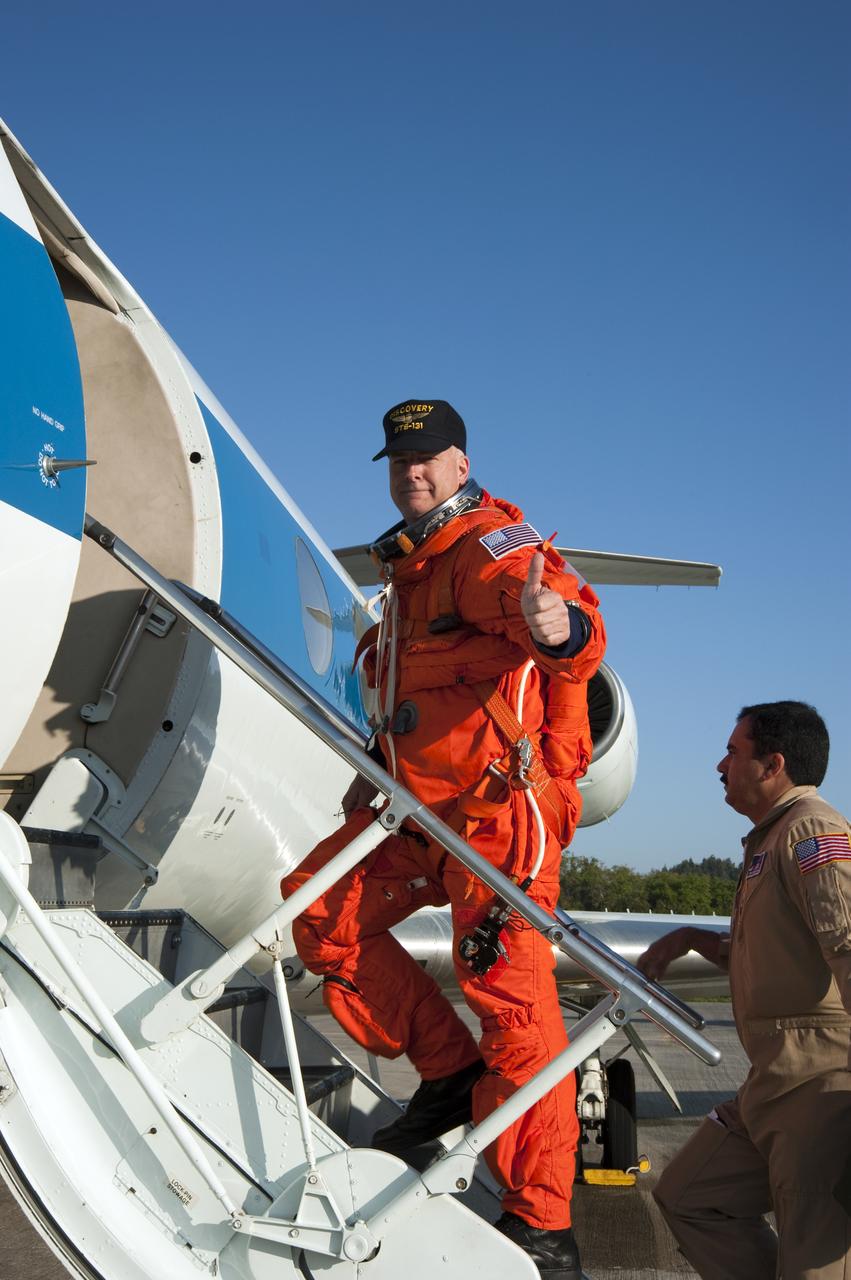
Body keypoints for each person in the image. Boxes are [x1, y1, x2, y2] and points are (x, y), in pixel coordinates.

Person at [282, 398, 606, 1280]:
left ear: (460, 466)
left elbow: (563, 620)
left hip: (498, 826)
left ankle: (541, 1223)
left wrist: (558, 628)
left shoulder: (482, 552)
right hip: (412, 815)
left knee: (514, 1011)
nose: (410, 472)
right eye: (397, 461)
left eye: (426, 459)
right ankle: (448, 1076)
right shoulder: (408, 575)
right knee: (319, 913)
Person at [637, 701, 851, 1280]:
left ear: (771, 764)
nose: (719, 765)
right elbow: (771, 949)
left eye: (733, 751)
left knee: (815, 1257)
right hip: (771, 1081)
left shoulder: (811, 831)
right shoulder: (771, 839)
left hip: (819, 1081)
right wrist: (686, 936)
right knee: (689, 1196)